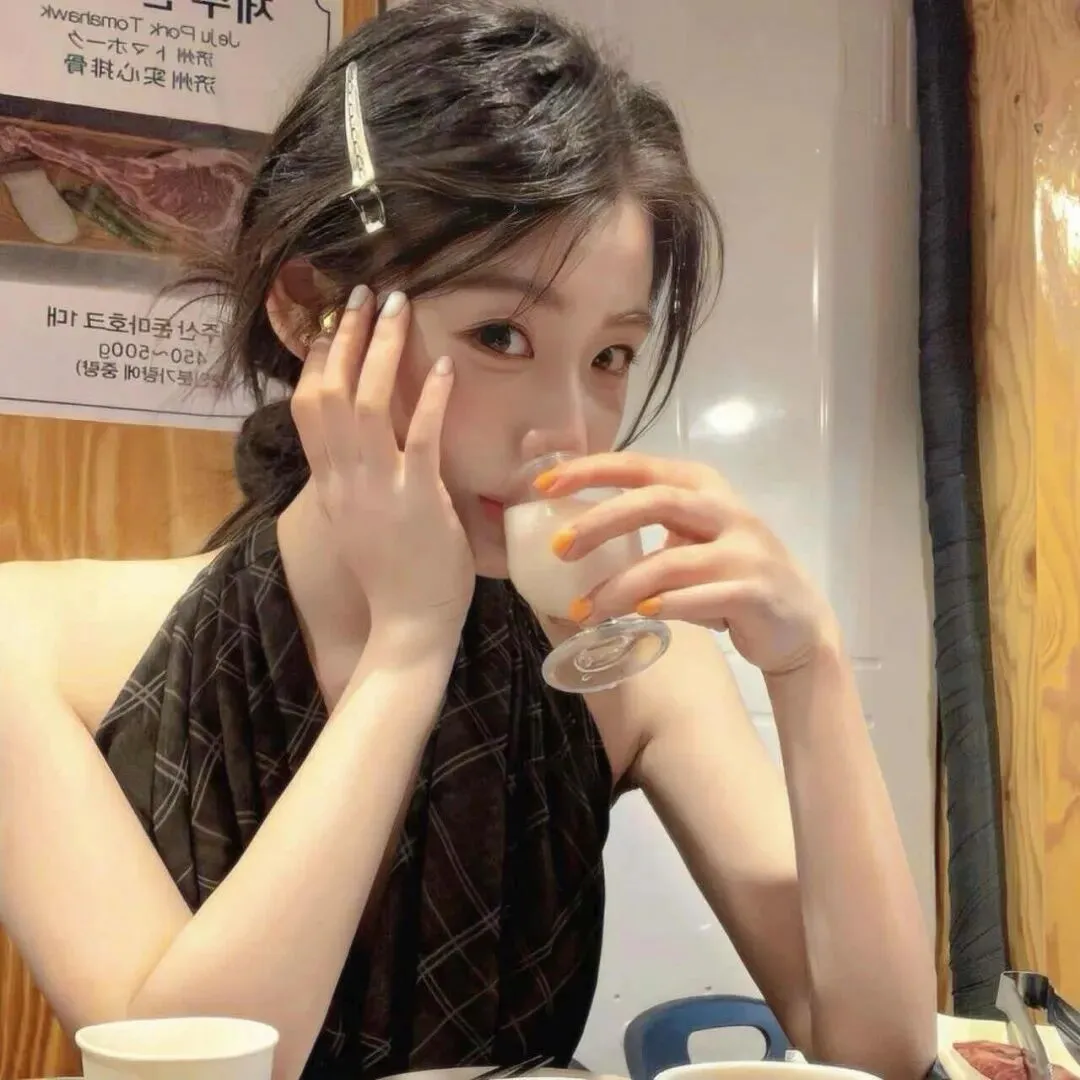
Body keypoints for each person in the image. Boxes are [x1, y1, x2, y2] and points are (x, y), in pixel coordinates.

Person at [0, 3, 937, 1080]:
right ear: (309, 311)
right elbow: (189, 1070)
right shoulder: (31, 645)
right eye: (501, 335)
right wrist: (411, 647)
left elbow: (878, 1049)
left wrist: (809, 665)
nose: (568, 432)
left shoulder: (632, 664)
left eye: (610, 356)